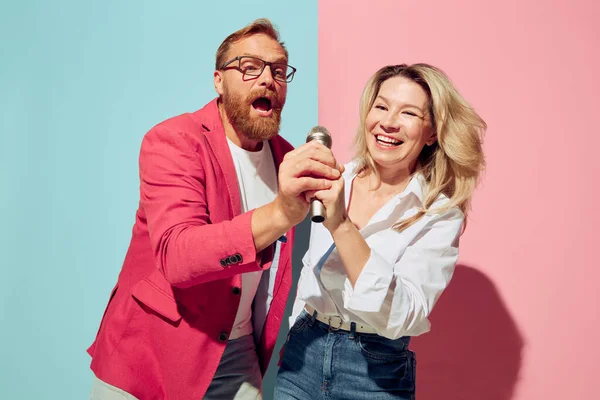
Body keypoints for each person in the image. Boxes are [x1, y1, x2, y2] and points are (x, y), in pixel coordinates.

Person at [87, 18, 342, 400]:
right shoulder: (174, 141)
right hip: (154, 349)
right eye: (249, 67)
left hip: (236, 349)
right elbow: (177, 255)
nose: (267, 79)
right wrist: (280, 213)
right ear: (218, 81)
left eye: (277, 70)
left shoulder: (288, 159)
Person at [274, 63, 486, 399]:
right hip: (303, 355)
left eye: (409, 113)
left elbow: (402, 315)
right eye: (382, 106)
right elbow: (309, 271)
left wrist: (342, 226)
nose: (388, 122)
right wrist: (294, 333)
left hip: (374, 371)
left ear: (431, 132)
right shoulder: (335, 180)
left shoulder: (439, 214)